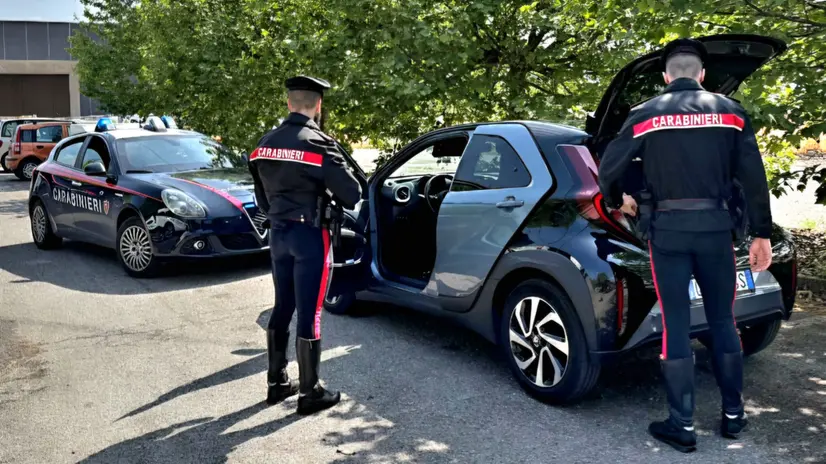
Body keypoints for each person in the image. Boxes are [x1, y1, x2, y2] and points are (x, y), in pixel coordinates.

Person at [598, 38, 774, 452]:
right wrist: (761, 233)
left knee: (676, 324)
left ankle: (682, 425)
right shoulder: (730, 112)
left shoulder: (644, 115)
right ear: (702, 75)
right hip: (716, 231)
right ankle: (733, 417)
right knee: (723, 320)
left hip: (668, 233)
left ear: (665, 77)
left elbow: (609, 166)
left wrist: (615, 198)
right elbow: (753, 176)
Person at [248, 75, 362, 415]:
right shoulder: (319, 144)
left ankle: (276, 381)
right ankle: (310, 392)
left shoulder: (263, 145)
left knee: (283, 306)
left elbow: (261, 198)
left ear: (288, 104)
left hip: (279, 236)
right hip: (311, 237)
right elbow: (353, 193)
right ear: (318, 105)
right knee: (310, 313)